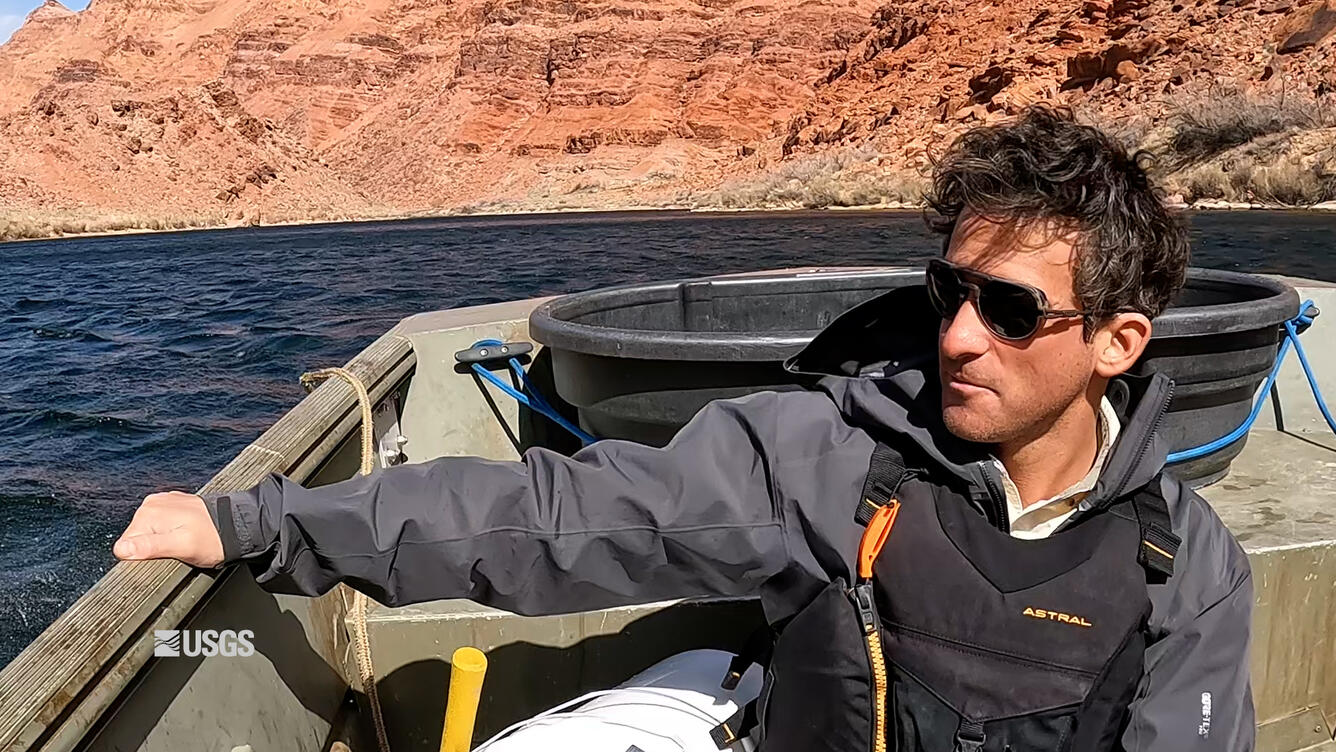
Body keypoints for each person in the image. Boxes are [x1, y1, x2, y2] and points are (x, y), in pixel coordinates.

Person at [114, 106, 1254, 752]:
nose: (957, 336)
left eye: (1008, 309)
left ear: (1117, 342)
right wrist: (251, 524)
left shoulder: (1188, 568)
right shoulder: (831, 458)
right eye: (945, 291)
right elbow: (549, 518)